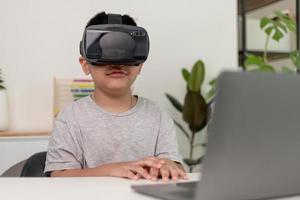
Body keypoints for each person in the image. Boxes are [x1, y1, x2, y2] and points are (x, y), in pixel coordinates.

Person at [44, 11, 187, 181]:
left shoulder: (158, 117)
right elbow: (59, 175)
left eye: (125, 53)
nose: (117, 63)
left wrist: (171, 165)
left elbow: (173, 165)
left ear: (140, 65)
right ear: (85, 65)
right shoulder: (70, 118)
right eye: (107, 52)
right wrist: (112, 170)